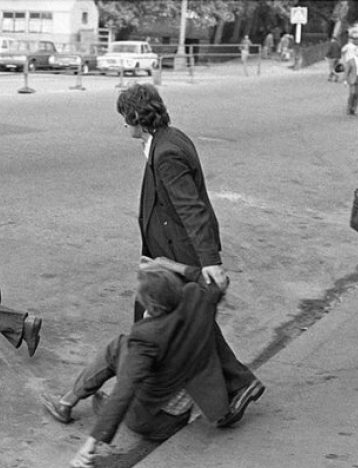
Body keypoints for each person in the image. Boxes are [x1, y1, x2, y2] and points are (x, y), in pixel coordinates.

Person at [113, 83, 263, 425]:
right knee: (180, 323)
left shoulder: (166, 153)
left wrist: (210, 263)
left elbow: (190, 208)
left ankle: (163, 398)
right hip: (166, 250)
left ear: (137, 117)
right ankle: (232, 386)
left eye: (125, 117)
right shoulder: (168, 139)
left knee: (173, 328)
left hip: (180, 254)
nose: (123, 124)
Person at [40, 259, 265, 468]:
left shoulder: (146, 337)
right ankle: (79, 403)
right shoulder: (196, 298)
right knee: (130, 361)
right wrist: (166, 263)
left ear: (150, 304)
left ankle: (67, 402)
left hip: (150, 422)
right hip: (179, 414)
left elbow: (124, 391)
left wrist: (91, 443)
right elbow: (212, 281)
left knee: (117, 347)